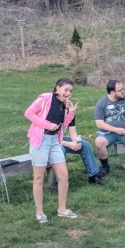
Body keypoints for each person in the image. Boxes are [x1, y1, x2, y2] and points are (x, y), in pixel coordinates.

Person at [25, 78, 80, 223]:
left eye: (70, 91)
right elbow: (29, 113)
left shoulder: (65, 104)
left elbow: (63, 126)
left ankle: (62, 209)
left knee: (64, 176)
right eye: (66, 90)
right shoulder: (46, 98)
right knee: (39, 178)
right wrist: (48, 125)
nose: (68, 93)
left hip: (55, 141)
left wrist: (71, 113)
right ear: (57, 88)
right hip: (41, 141)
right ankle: (39, 213)